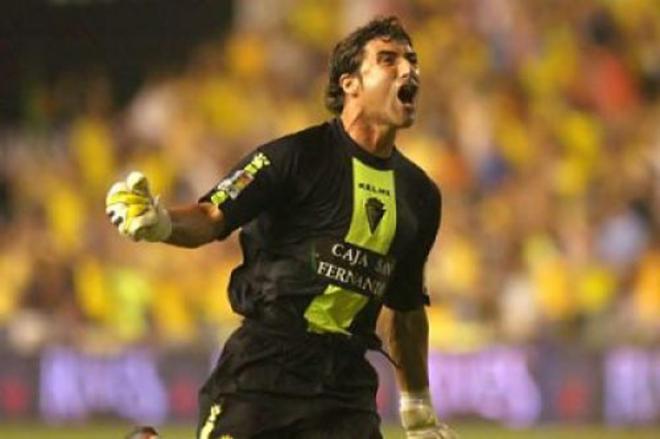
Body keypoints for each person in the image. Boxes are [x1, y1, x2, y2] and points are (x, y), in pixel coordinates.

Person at [106, 16, 457, 439]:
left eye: (412, 61)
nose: (408, 70)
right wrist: (161, 224)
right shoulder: (295, 156)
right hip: (267, 367)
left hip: (345, 387)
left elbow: (405, 308)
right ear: (351, 83)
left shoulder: (420, 194)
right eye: (388, 59)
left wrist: (417, 408)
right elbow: (212, 215)